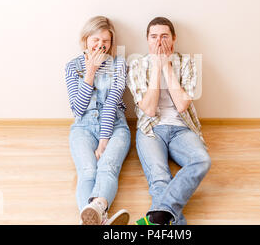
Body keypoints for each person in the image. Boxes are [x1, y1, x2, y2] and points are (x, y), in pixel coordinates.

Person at [127, 17, 211, 225]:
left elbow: (182, 105)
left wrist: (167, 67)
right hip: (151, 129)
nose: (159, 41)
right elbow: (148, 109)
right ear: (147, 40)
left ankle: (157, 217)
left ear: (174, 39)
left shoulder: (188, 63)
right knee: (160, 179)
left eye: (164, 36)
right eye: (153, 37)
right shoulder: (137, 64)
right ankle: (168, 222)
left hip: (182, 128)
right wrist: (156, 68)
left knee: (202, 160)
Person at [65, 16, 131, 225]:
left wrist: (104, 142)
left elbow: (112, 102)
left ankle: (97, 211)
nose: (101, 45)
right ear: (86, 40)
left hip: (115, 126)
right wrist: (90, 73)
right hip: (83, 127)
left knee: (107, 167)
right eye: (96, 40)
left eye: (106, 41)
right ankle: (100, 219)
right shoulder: (72, 67)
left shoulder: (119, 63)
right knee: (88, 171)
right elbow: (78, 108)